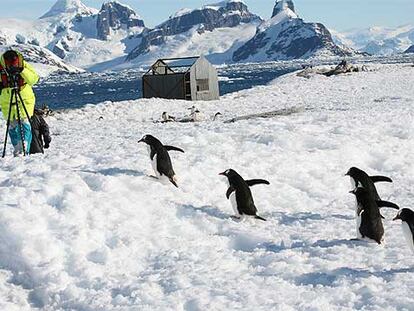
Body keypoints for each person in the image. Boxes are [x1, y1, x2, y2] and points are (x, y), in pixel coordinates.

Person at [0, 50, 39, 156]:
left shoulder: (23, 65)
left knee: (24, 123)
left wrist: (22, 70)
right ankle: (18, 149)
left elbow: (34, 79)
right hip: (7, 102)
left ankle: (23, 150)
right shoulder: (1, 68)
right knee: (12, 126)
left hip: (24, 100)